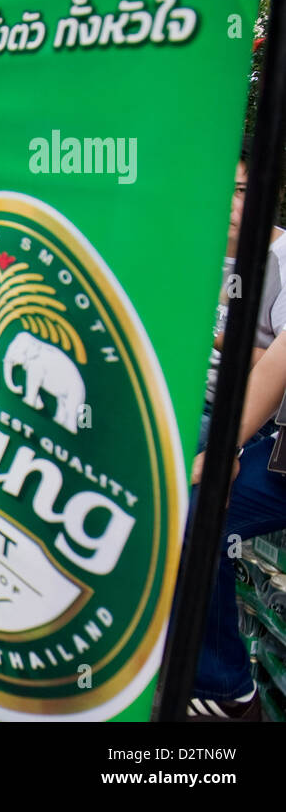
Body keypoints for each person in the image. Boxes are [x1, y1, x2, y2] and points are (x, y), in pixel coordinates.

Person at [188, 142, 286, 720]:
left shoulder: (279, 258)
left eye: (243, 190)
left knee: (193, 513)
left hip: (259, 429)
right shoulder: (199, 253)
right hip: (204, 407)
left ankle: (224, 684)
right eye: (220, 187)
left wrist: (228, 446)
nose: (229, 204)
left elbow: (272, 368)